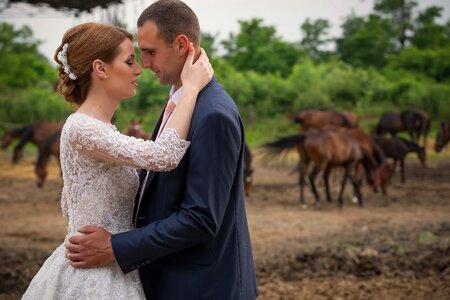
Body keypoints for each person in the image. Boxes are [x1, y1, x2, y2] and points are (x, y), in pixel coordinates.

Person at [65, 1, 259, 299]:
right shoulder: (181, 104)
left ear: (181, 44)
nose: (143, 65)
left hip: (200, 286)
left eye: (150, 52)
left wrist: (117, 246)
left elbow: (201, 218)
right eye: (135, 56)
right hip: (157, 279)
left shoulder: (212, 114)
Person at [22, 21, 212, 299]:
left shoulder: (100, 129)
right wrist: (191, 89)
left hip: (115, 263)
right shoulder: (81, 129)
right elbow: (164, 155)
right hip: (93, 275)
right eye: (129, 61)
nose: (139, 70)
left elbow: (70, 202)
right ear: (101, 68)